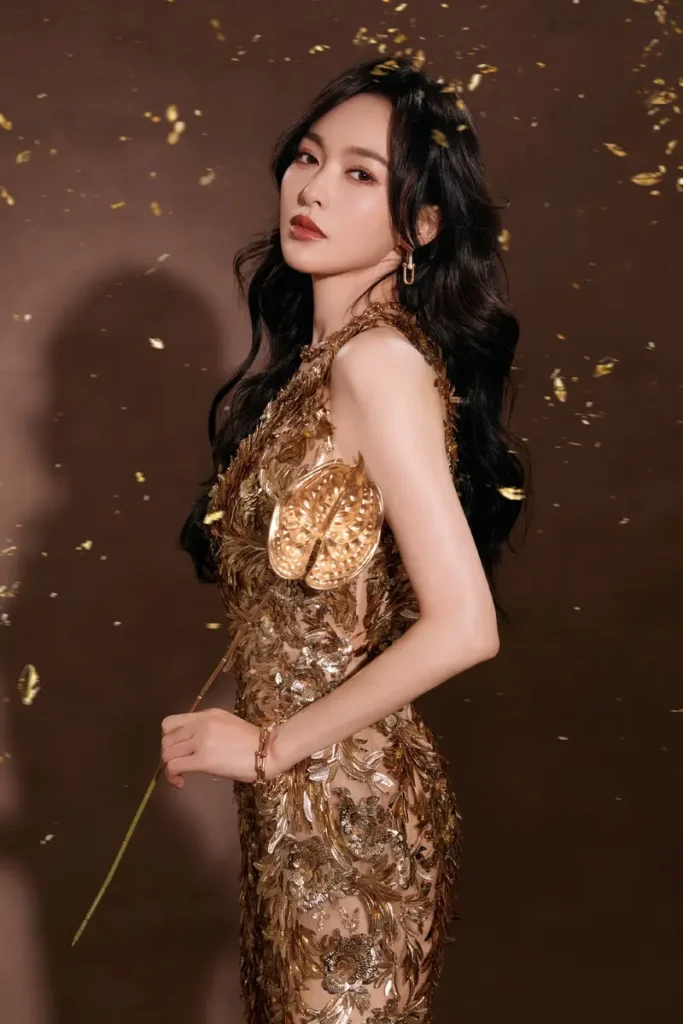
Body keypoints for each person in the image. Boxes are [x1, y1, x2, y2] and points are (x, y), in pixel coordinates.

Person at [169, 55, 526, 1024]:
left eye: (360, 173)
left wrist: (267, 747)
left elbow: (464, 624)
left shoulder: (378, 364)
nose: (314, 188)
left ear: (420, 227)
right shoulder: (317, 370)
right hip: (296, 810)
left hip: (347, 814)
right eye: (308, 157)